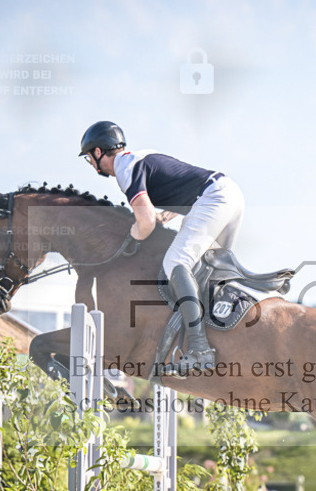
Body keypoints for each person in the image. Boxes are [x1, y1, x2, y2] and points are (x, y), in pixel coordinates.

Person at [79, 121, 245, 377]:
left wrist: (131, 237)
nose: (91, 164)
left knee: (175, 264)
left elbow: (144, 224)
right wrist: (163, 216)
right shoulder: (138, 158)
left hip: (214, 198)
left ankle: (200, 348)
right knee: (211, 268)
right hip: (229, 195)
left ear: (99, 152)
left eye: (89, 158)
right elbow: (179, 190)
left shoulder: (125, 169)